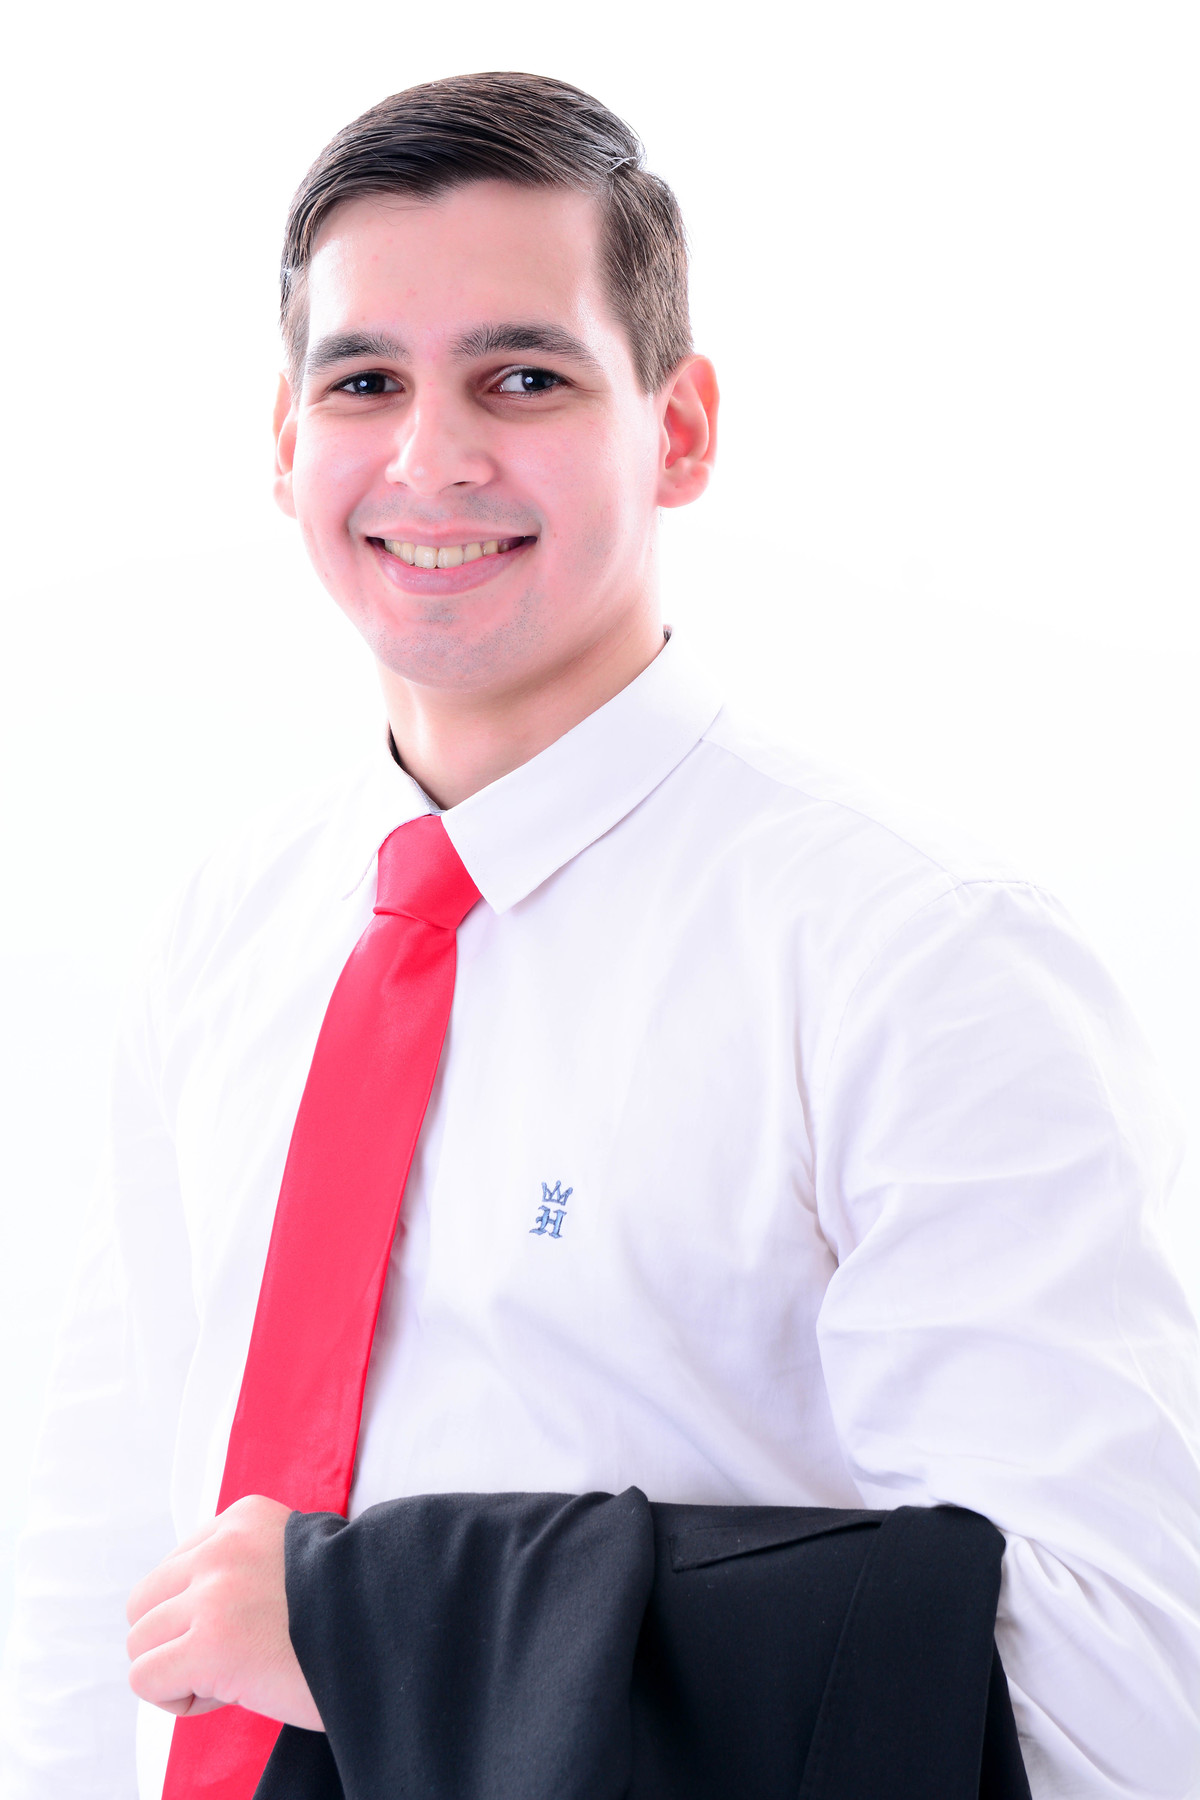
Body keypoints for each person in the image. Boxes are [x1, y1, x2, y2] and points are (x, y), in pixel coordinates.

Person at [2, 69, 1199, 1800]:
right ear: (284, 441)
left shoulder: (915, 966)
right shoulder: (227, 929)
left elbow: (1115, 1701)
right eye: (364, 382)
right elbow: (109, 1554)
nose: (431, 457)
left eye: (524, 377)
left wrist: (395, 1636)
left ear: (681, 428)